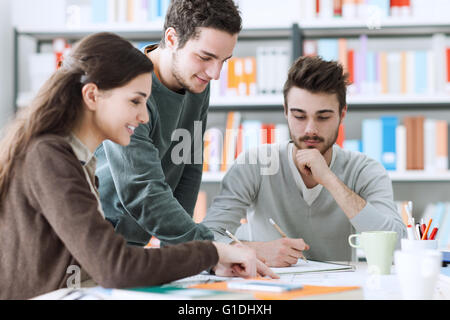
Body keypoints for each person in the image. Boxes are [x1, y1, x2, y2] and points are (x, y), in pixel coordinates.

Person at [0, 32, 275, 300]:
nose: (145, 116)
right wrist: (211, 252)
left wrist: (211, 254)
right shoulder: (49, 158)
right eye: (135, 101)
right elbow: (115, 267)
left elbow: (103, 262)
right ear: (92, 96)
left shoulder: (77, 158)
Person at [202, 55, 407, 266]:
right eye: (299, 116)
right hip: (270, 292)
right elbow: (206, 239)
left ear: (342, 114)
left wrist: (330, 180)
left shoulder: (365, 170)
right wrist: (257, 251)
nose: (310, 129)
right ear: (286, 112)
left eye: (323, 117)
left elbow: (398, 245)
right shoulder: (254, 163)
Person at [95, 0, 242, 247]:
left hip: (135, 243)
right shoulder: (127, 85)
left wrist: (183, 251)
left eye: (224, 61)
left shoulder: (197, 83)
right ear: (172, 38)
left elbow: (188, 167)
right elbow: (141, 189)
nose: (215, 73)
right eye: (205, 57)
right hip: (97, 240)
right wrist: (211, 250)